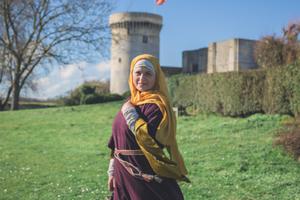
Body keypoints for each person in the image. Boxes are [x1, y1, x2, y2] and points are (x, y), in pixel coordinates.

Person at [107, 54, 189, 200]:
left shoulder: (157, 106)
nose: (142, 78)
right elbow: (115, 140)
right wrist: (112, 171)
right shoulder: (129, 102)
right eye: (138, 73)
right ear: (131, 74)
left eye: (148, 74)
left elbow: (150, 141)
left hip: (144, 174)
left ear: (156, 77)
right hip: (122, 174)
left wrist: (130, 114)